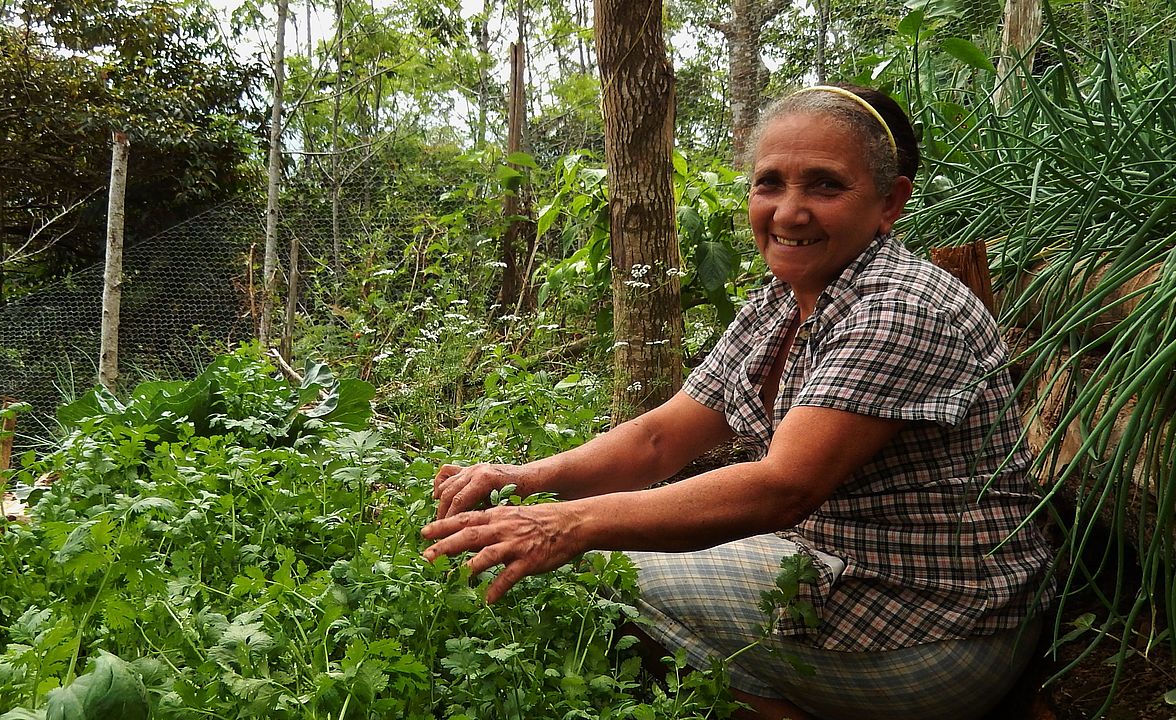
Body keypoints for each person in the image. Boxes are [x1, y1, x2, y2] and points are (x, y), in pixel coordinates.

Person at [420, 84, 1055, 720]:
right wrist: (526, 479)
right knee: (596, 549)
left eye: (825, 186)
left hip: (937, 625)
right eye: (769, 183)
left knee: (602, 574)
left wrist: (571, 523)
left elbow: (784, 488)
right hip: (837, 570)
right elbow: (661, 438)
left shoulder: (903, 307)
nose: (789, 212)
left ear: (890, 202)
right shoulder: (783, 299)